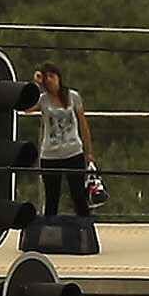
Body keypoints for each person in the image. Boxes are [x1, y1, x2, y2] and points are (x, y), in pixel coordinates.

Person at [34, 63, 95, 218]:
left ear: (59, 77)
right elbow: (26, 107)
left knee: (78, 196)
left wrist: (89, 152)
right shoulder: (43, 100)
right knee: (52, 199)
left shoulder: (72, 96)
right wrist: (36, 84)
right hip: (50, 155)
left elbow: (83, 125)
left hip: (73, 152)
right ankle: (50, 234)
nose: (49, 80)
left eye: (52, 76)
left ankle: (84, 233)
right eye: (46, 77)